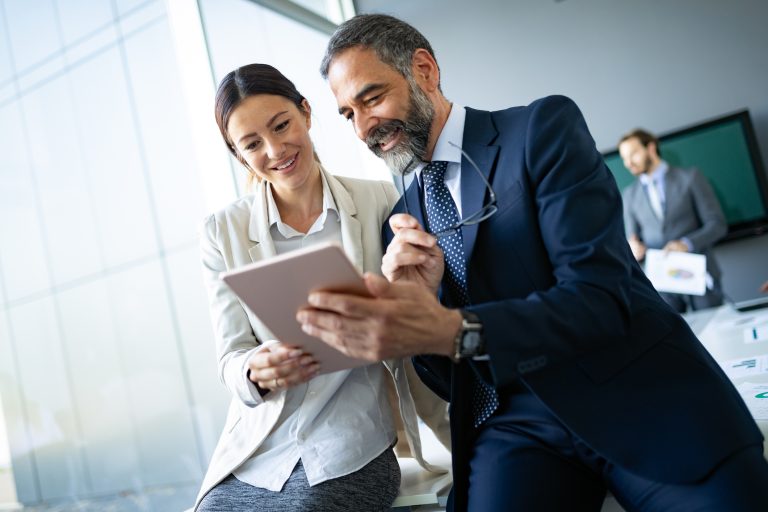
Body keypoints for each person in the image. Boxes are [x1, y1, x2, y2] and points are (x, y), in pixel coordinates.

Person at [294, 14, 768, 511]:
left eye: (372, 98)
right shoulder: (403, 215)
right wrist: (416, 310)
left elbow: (600, 297)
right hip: (516, 429)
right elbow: (446, 376)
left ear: (425, 70)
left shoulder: (541, 129)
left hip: (635, 395)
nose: (365, 126)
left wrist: (454, 328)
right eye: (348, 113)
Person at [193, 63, 450, 512]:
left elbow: (420, 310)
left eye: (282, 125)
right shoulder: (223, 232)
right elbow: (231, 357)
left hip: (350, 445)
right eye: (252, 144)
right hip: (261, 452)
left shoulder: (379, 201)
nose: (275, 150)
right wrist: (257, 368)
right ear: (238, 155)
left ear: (307, 113)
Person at [618, 128, 728, 312]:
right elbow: (632, 240)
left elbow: (717, 224)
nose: (628, 163)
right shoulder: (629, 195)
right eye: (624, 158)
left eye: (633, 154)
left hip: (700, 276)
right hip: (662, 286)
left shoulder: (691, 177)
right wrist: (633, 249)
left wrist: (686, 244)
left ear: (651, 148)